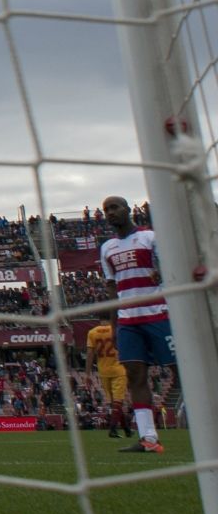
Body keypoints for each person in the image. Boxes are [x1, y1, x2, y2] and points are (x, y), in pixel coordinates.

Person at [99, 195, 173, 455]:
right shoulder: (107, 248)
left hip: (158, 313)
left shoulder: (150, 237)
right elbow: (112, 288)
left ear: (127, 209)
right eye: (106, 210)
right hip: (128, 320)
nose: (110, 212)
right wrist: (114, 325)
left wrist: (162, 274)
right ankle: (148, 438)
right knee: (135, 376)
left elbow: (169, 269)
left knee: (183, 370)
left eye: (114, 207)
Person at [85, 319, 134, 438]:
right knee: (118, 401)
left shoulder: (92, 332)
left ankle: (127, 430)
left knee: (114, 403)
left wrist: (87, 374)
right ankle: (112, 429)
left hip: (103, 371)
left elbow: (90, 354)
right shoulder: (116, 330)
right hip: (118, 369)